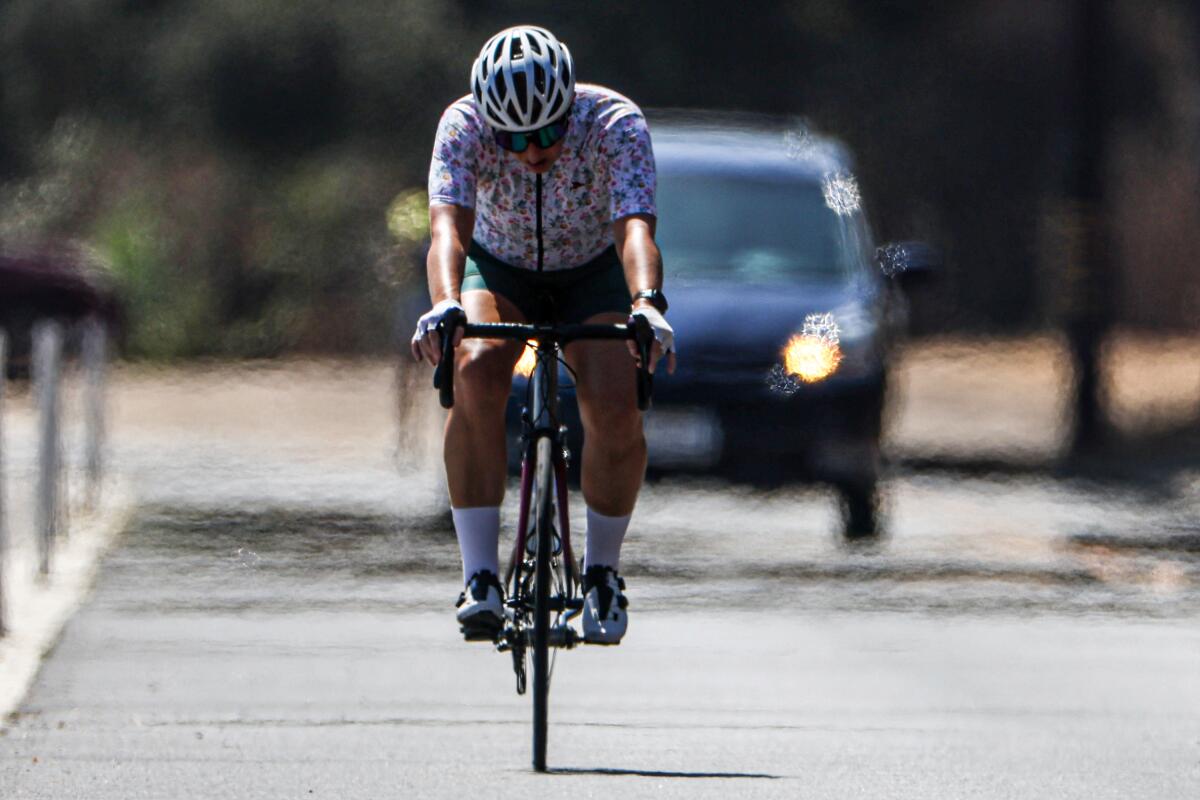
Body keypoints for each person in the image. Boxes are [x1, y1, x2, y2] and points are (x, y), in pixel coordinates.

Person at [410, 25, 675, 646]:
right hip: (497, 266)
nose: (532, 151)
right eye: (515, 139)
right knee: (474, 367)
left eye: (548, 134)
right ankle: (479, 576)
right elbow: (447, 228)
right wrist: (445, 304)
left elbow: (636, 229)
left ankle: (603, 574)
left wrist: (646, 303)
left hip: (592, 273)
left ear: (569, 108)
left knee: (614, 399)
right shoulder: (462, 125)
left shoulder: (615, 123)